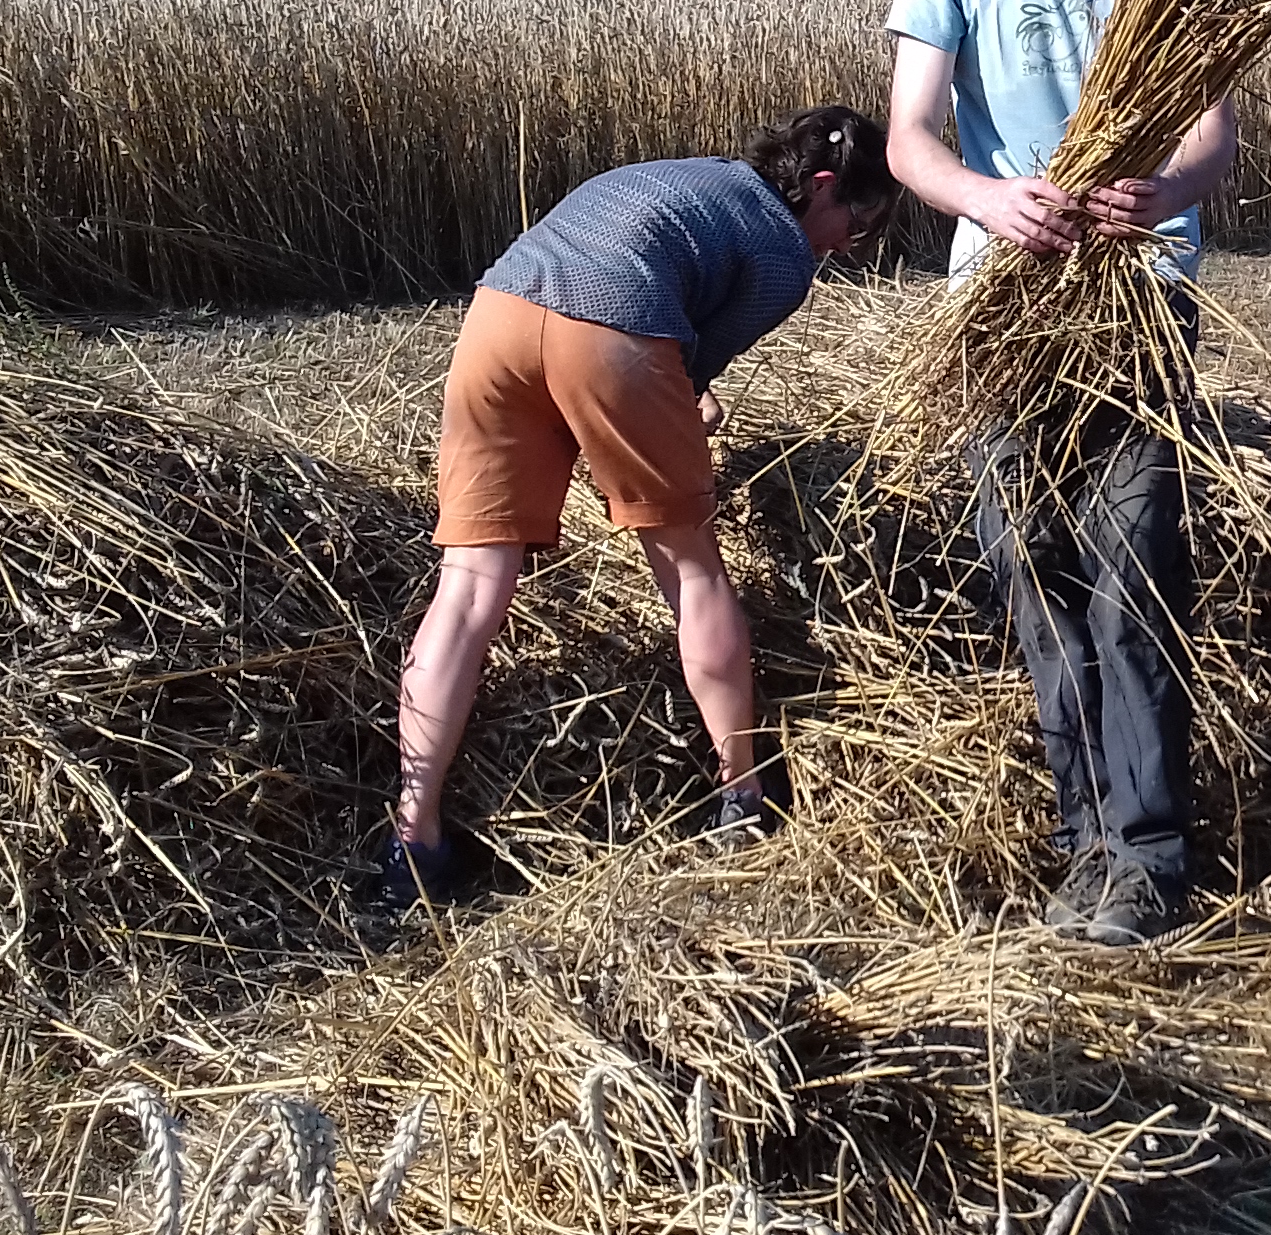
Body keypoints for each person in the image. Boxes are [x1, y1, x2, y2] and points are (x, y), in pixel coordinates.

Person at [882, 0, 1235, 948]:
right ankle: (1081, 839)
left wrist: (1165, 191)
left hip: (1138, 294)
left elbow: (1211, 137)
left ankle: (1148, 855)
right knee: (1030, 569)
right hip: (1001, 301)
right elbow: (909, 140)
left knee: (1132, 567)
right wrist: (991, 196)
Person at [369, 105, 899, 912]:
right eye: (855, 225)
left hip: (497, 315)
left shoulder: (694, 178)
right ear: (822, 189)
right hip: (610, 331)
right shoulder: (785, 253)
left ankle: (414, 839)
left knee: (469, 586)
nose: (846, 248)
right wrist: (683, 412)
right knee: (690, 567)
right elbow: (680, 373)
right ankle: (745, 795)